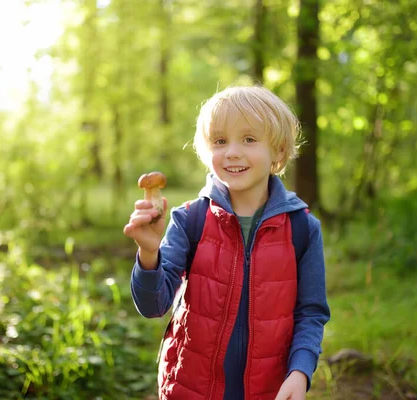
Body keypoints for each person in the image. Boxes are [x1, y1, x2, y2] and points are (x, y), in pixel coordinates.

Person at [123, 85, 330, 400]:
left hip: (270, 390)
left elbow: (311, 312)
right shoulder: (190, 220)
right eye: (220, 141)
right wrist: (149, 252)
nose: (232, 151)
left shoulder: (302, 228)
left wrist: (299, 371)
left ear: (278, 151)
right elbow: (154, 306)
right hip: (191, 389)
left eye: (248, 139)